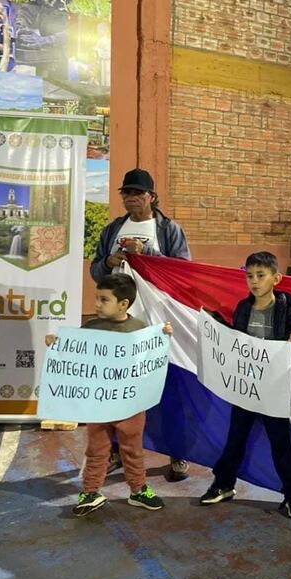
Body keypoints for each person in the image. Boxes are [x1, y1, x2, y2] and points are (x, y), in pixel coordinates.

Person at [90, 168, 191, 481]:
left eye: (138, 193)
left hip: (158, 323)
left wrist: (146, 252)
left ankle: (178, 452)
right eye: (127, 193)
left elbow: (183, 272)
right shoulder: (113, 229)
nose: (131, 198)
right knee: (118, 388)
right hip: (120, 325)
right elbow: (95, 271)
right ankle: (117, 452)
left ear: (151, 197)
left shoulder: (168, 229)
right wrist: (107, 262)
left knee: (168, 389)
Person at [45, 274, 171, 517]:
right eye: (97, 298)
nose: (97, 304)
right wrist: (57, 344)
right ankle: (90, 492)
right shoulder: (90, 328)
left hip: (130, 405)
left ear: (123, 304)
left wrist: (163, 335)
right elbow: (75, 354)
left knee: (132, 450)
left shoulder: (140, 329)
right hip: (98, 405)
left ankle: (138, 490)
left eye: (104, 300)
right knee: (97, 450)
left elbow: (150, 359)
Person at [199, 251, 291, 518]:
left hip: (275, 389)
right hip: (245, 387)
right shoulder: (243, 308)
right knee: (235, 437)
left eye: (261, 275)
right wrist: (216, 324)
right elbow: (235, 341)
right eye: (250, 276)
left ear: (276, 278)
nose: (255, 281)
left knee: (281, 444)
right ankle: (224, 484)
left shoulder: (287, 307)